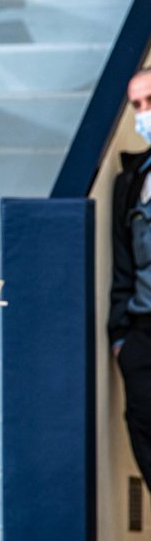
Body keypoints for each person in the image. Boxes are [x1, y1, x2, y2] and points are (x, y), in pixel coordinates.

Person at [109, 67, 151, 491]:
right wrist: (119, 336)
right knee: (142, 422)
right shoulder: (133, 180)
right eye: (136, 105)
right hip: (142, 329)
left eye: (150, 101)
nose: (143, 113)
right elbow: (123, 262)